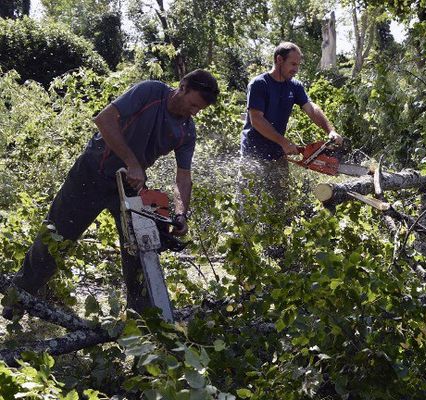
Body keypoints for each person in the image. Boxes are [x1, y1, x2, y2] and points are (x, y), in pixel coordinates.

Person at [2, 69, 220, 320]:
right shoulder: (150, 92)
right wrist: (132, 162)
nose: (193, 112)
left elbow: (183, 176)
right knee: (56, 237)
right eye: (193, 104)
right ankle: (17, 300)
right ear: (182, 87)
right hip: (92, 172)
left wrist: (181, 213)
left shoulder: (186, 131)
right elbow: (104, 119)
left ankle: (141, 319)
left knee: (140, 248)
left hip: (128, 186)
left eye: (198, 110)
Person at [239, 41, 342, 205]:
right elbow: (256, 119)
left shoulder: (294, 86)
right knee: (250, 202)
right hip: (254, 153)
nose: (296, 69)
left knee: (281, 203)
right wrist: (284, 142)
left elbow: (311, 108)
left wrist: (330, 130)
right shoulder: (260, 84)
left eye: (298, 65)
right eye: (293, 64)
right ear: (279, 60)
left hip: (277, 154)